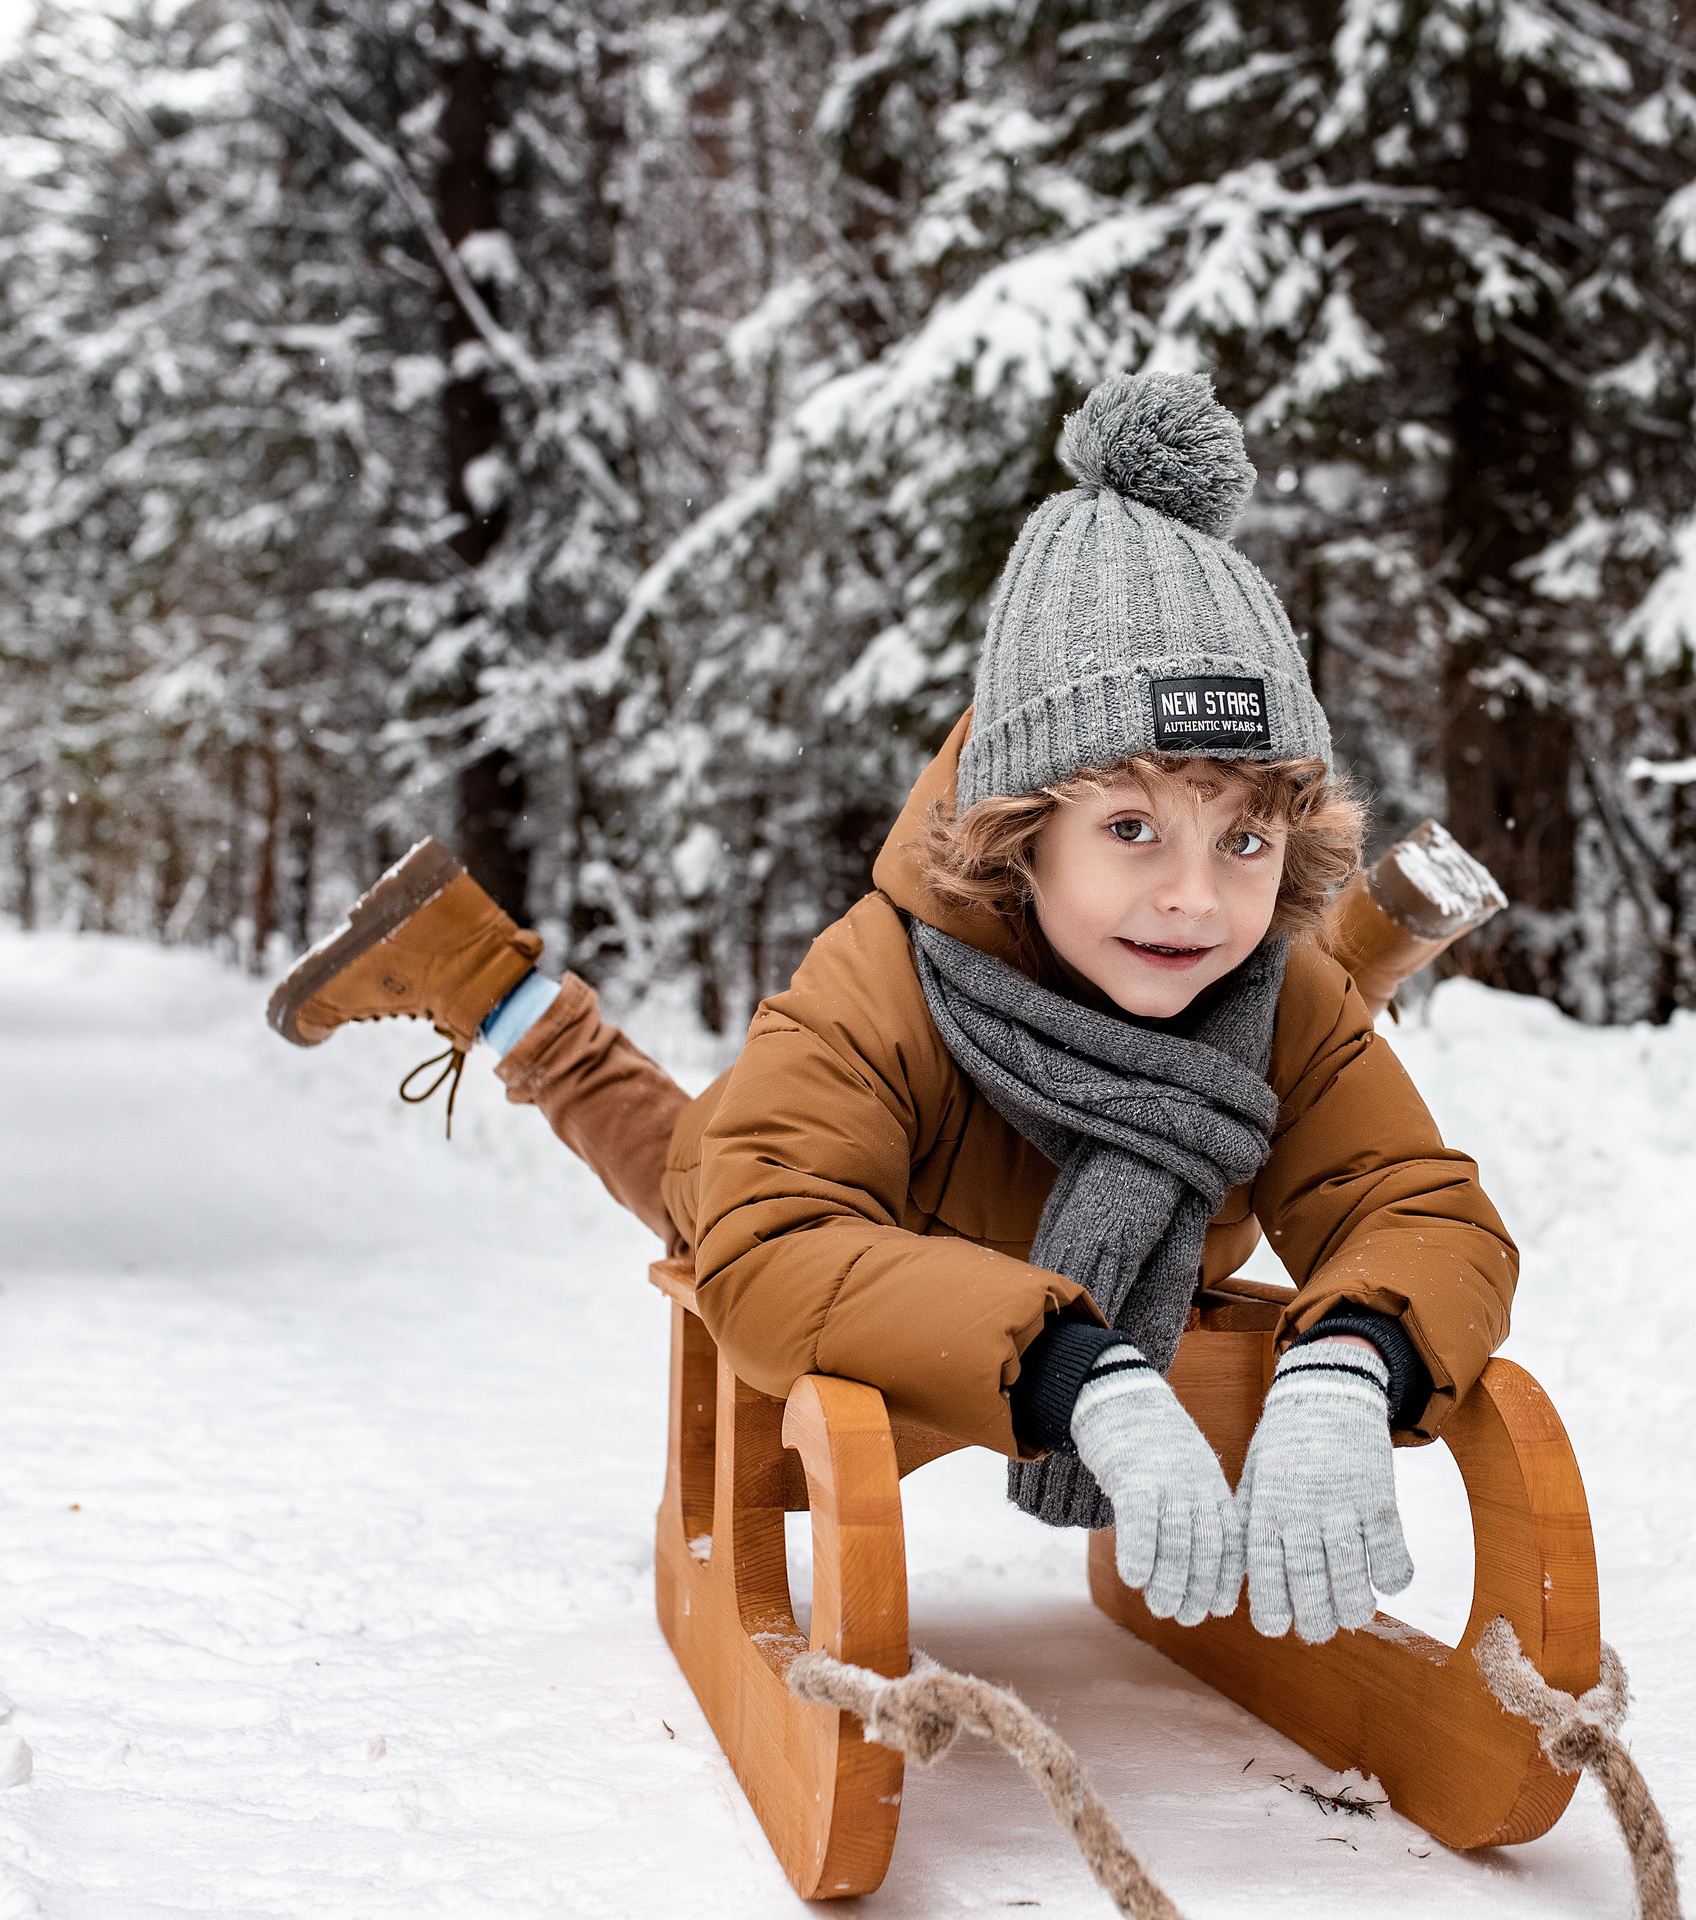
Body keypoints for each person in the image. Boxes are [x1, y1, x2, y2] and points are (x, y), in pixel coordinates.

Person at [266, 373, 1518, 1647]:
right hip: (868, 1225)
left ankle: (1352, 922)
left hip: (1061, 1232)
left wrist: (1352, 1353)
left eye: (1246, 837)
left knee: (1248, 1037)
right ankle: (487, 980)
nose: (1194, 896)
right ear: (1024, 832)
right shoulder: (881, 977)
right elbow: (769, 1243)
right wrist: (1063, 1366)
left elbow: (1412, 1201)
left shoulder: (1273, 988)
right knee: (688, 1171)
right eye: (1132, 827)